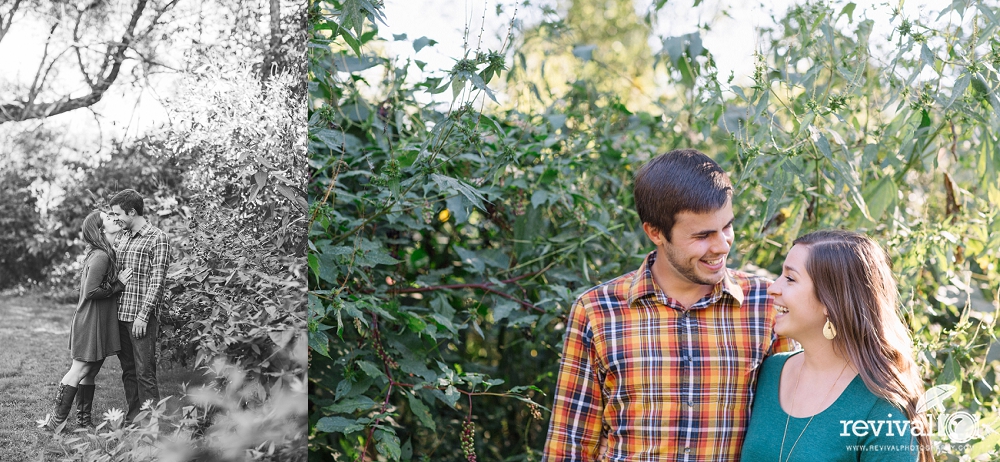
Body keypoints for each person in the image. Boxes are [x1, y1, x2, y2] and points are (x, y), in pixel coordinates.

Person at [542, 149, 796, 461]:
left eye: (727, 226)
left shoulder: (767, 305)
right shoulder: (597, 311)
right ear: (655, 233)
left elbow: (789, 433)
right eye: (702, 235)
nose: (722, 245)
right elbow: (570, 444)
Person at [740, 230, 931, 461]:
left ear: (830, 301)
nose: (773, 287)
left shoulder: (883, 408)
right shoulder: (771, 372)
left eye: (790, 279)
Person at [43, 211, 133, 430]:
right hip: (90, 322)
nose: (113, 218)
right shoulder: (102, 255)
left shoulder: (104, 252)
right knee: (78, 370)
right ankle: (56, 422)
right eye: (108, 218)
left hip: (97, 321)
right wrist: (119, 284)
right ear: (101, 229)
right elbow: (91, 291)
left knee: (90, 372)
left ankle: (83, 421)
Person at [108, 189, 170, 424]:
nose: (116, 219)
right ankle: (134, 418)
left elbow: (158, 281)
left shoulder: (157, 238)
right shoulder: (122, 237)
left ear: (132, 211)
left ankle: (152, 424)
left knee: (145, 372)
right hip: (120, 314)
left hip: (140, 317)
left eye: (118, 214)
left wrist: (143, 316)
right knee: (129, 371)